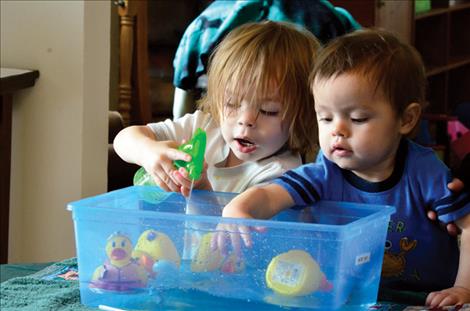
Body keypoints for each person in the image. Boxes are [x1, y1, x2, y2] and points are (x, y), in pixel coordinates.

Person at [220, 29, 470, 307]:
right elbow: (270, 195)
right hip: (346, 296)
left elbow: (469, 225)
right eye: (325, 118)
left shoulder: (424, 172)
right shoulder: (325, 173)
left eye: (358, 118)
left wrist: (463, 288)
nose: (337, 130)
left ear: (406, 119)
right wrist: (238, 209)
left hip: (424, 298)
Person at [113, 21, 320, 197]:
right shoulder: (204, 126)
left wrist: (202, 190)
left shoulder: (283, 176)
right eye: (231, 103)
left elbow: (232, 237)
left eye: (268, 110)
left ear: (303, 115)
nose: (245, 120)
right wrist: (147, 150)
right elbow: (123, 139)